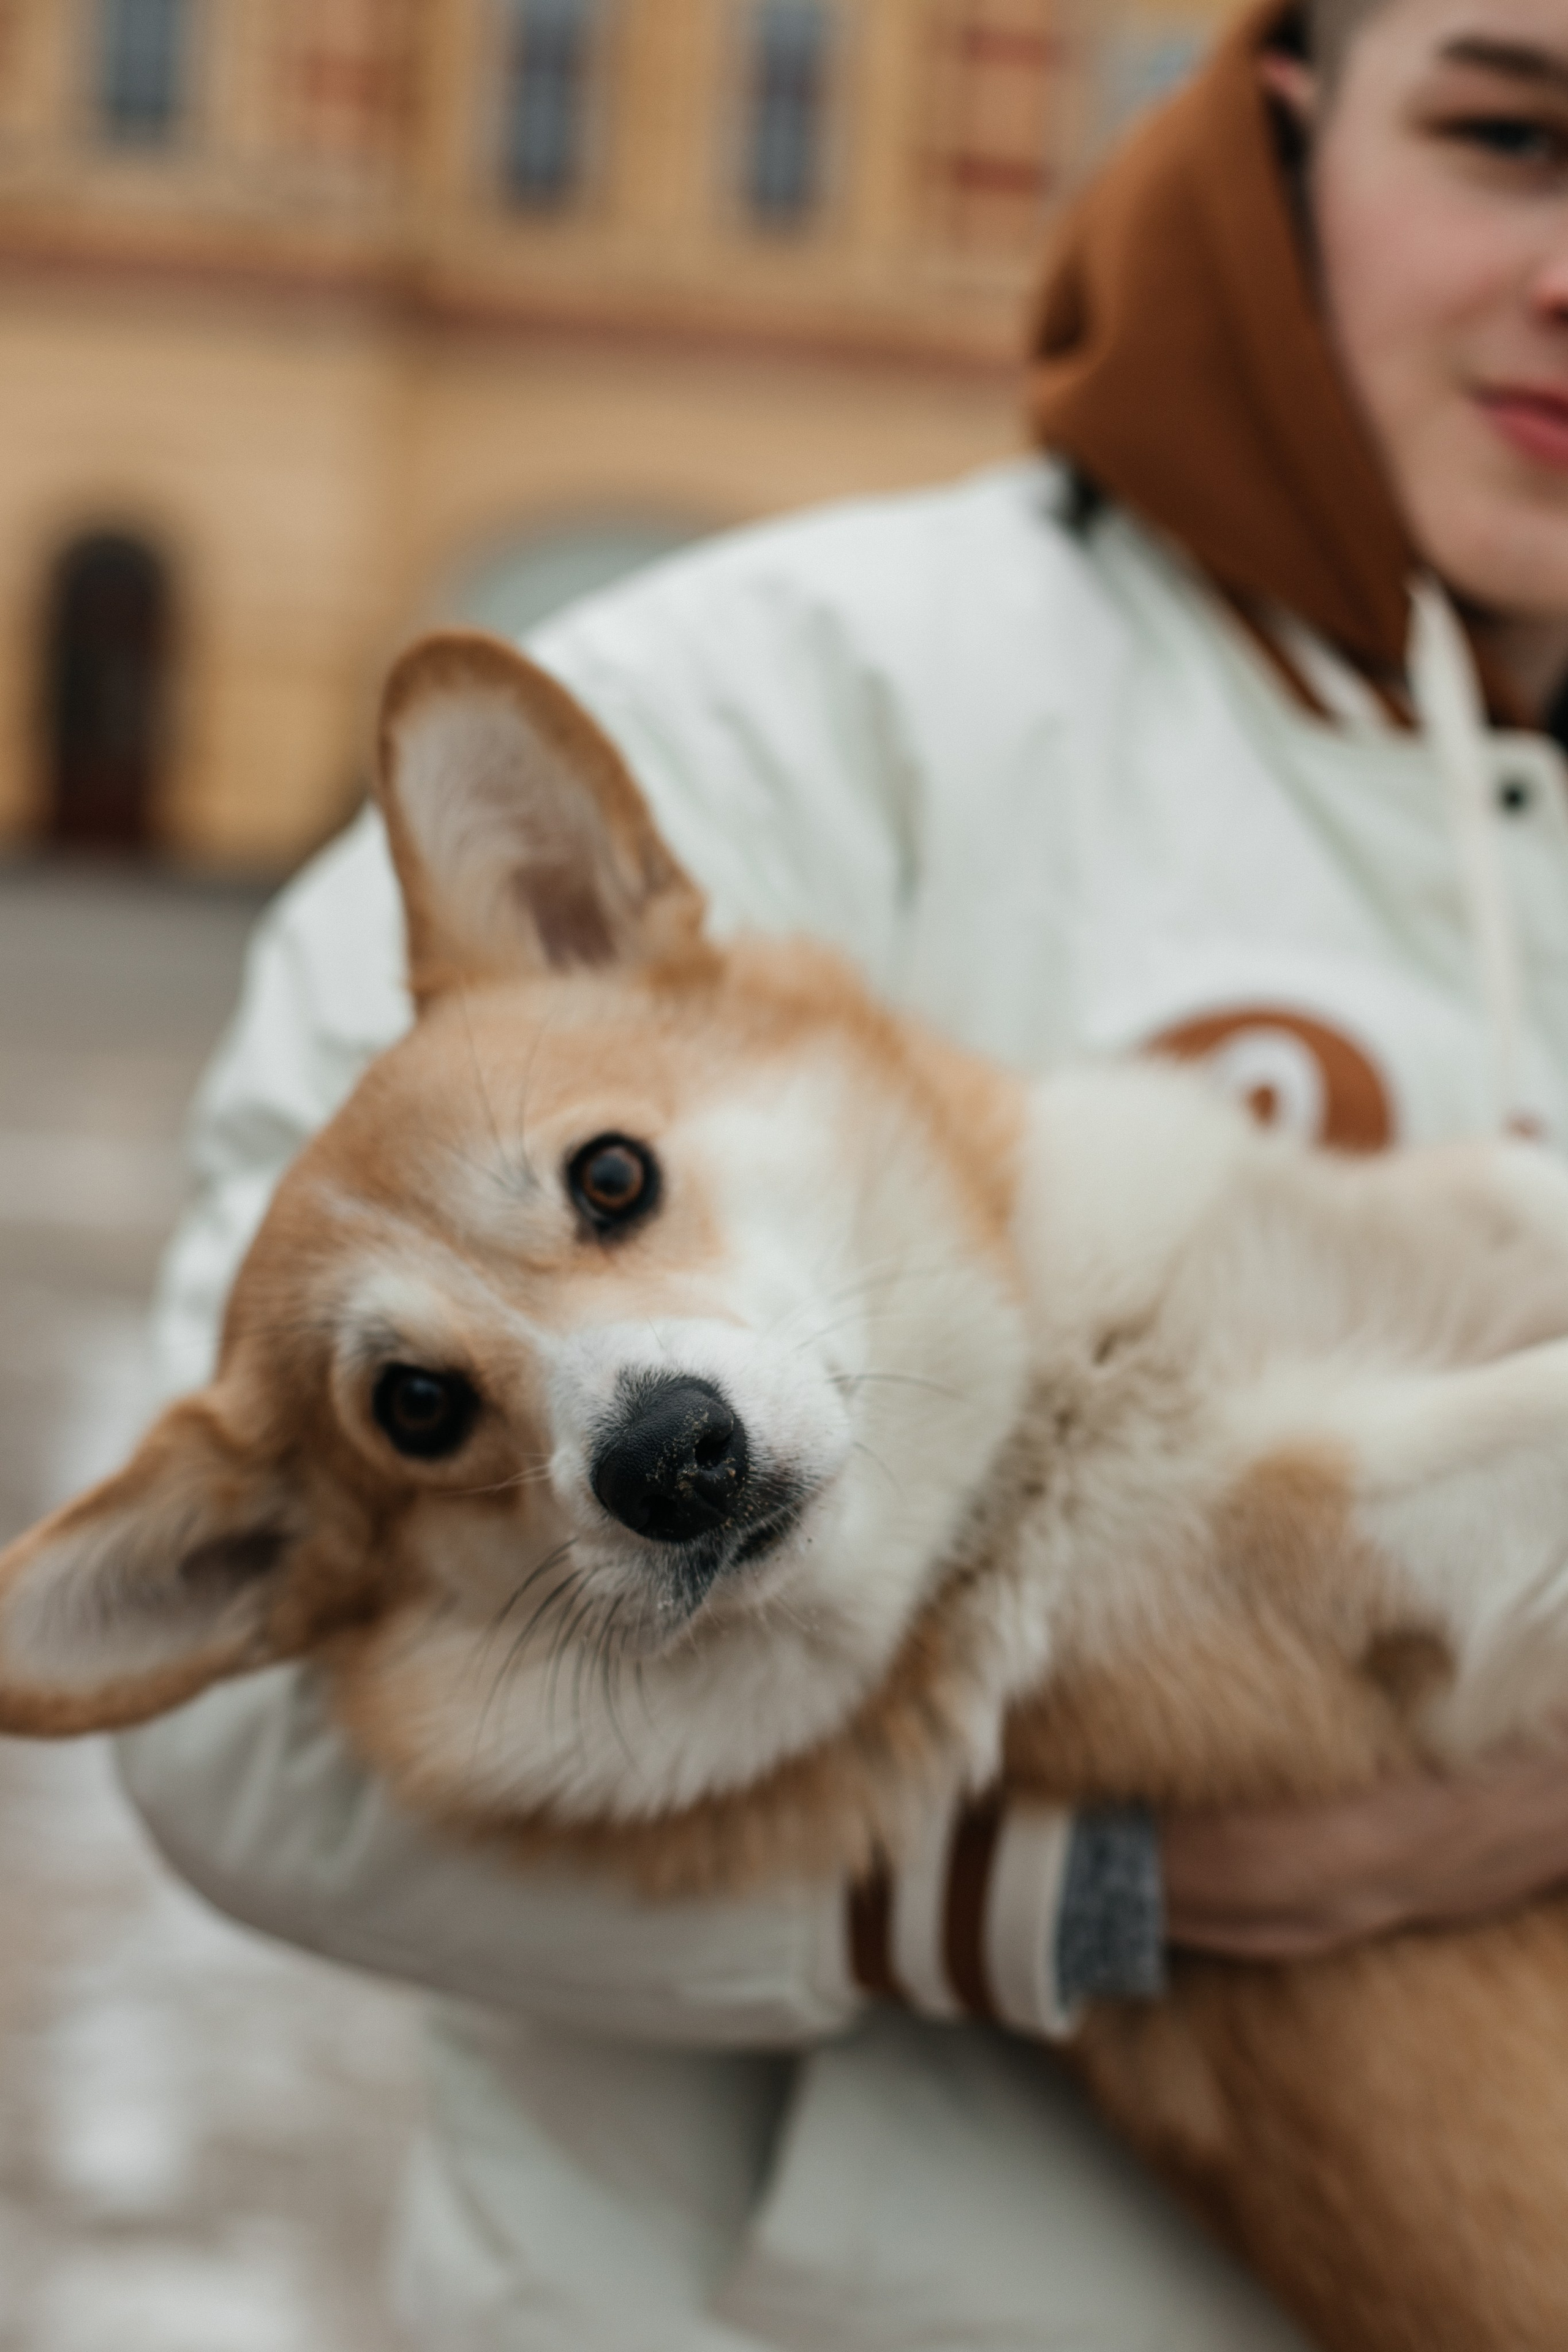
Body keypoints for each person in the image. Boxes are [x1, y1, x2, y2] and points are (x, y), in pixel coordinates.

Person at [117, 0, 1568, 2341]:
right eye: (1509, 133)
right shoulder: (772, 687)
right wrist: (1073, 1897)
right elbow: (216, 1727)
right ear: (1287, 124)